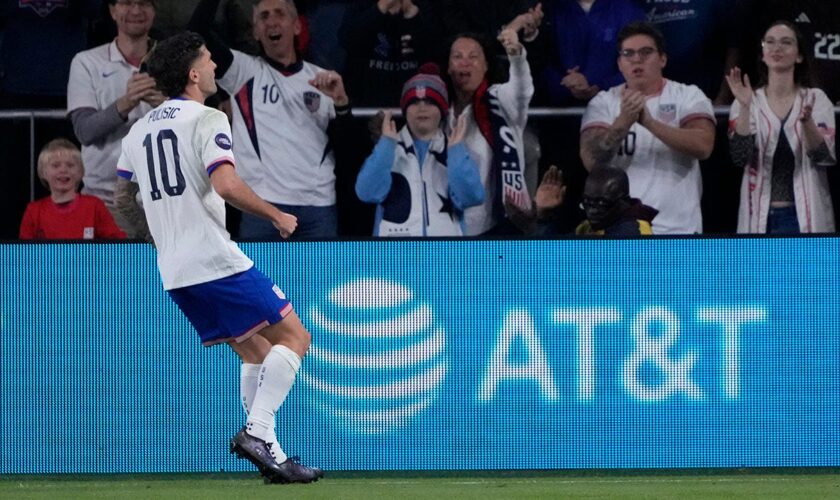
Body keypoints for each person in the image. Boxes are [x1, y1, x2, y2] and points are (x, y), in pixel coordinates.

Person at [113, 32, 323, 484]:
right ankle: (257, 431)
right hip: (214, 258)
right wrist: (276, 215)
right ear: (192, 73)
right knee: (296, 337)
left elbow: (122, 196)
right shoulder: (207, 119)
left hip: (174, 270)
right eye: (208, 61)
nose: (213, 68)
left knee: (255, 351)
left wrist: (156, 235)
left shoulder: (138, 131)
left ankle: (275, 457)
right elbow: (226, 186)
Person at [190, 0, 355, 239]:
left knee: (321, 278)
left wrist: (341, 103)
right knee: (261, 279)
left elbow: (349, 150)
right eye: (264, 17)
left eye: (280, 14)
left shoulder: (322, 80)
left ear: (297, 26)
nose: (272, 21)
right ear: (256, 31)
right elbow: (196, 32)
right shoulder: (243, 72)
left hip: (317, 206)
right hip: (262, 207)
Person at [579, 21, 715, 235]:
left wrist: (650, 123)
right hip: (621, 231)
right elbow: (591, 161)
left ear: (662, 59)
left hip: (679, 229)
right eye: (628, 53)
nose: (637, 59)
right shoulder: (603, 102)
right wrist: (623, 123)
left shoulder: (688, 95)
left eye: (646, 52)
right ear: (619, 63)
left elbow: (703, 145)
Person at [726, 21, 835, 234]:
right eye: (770, 42)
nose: (777, 48)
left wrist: (807, 123)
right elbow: (739, 157)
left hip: (805, 217)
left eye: (786, 43)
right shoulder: (747, 100)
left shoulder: (816, 99)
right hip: (760, 218)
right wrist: (746, 108)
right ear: (763, 54)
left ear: (799, 55)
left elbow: (823, 157)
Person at [67, 0, 165, 238]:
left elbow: (197, 125)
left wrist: (167, 105)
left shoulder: (174, 61)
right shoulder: (86, 62)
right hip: (105, 200)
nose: (135, 11)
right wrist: (128, 101)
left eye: (144, 3)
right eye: (126, 3)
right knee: (114, 276)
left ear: (154, 11)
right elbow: (85, 131)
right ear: (112, 10)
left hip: (165, 199)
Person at [355, 65, 484, 236]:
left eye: (430, 102)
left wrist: (456, 153)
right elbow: (366, 192)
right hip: (395, 258)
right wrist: (386, 146)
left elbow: (471, 197)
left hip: (446, 257)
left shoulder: (454, 150)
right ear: (405, 109)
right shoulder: (388, 149)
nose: (422, 108)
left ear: (442, 109)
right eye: (414, 102)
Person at [446, 29, 535, 236]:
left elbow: (522, 91)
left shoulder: (501, 101)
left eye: (473, 56)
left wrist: (517, 57)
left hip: (498, 225)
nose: (465, 62)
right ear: (449, 67)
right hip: (446, 228)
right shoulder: (437, 108)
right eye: (457, 57)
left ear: (486, 65)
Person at [339, 0, 444, 107]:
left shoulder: (427, 6)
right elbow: (347, 41)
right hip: (366, 102)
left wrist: (412, 15)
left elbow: (438, 52)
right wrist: (381, 8)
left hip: (416, 103)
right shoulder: (361, 5)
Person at [541, 0, 645, 106]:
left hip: (614, 112)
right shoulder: (551, 9)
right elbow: (539, 63)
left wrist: (600, 87)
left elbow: (641, 67)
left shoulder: (628, 10)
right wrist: (565, 84)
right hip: (558, 113)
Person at [19, 138, 126, 240]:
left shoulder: (95, 206)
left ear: (81, 172)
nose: (63, 170)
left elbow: (118, 247)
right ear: (43, 172)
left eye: (70, 165)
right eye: (56, 166)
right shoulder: (33, 211)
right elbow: (24, 255)